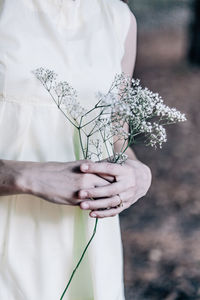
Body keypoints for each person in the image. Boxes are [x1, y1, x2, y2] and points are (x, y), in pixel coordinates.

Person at [0, 0, 152, 299]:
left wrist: (137, 174)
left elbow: (116, 134)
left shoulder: (119, 19)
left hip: (82, 236)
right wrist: (22, 176)